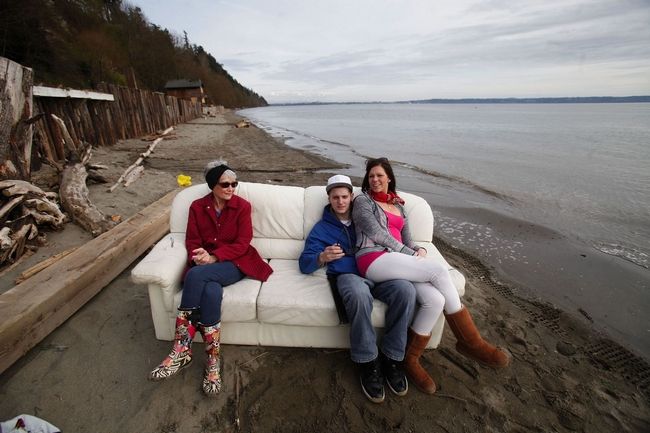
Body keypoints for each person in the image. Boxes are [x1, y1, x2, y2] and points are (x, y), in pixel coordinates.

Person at [352, 157, 510, 394]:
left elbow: (408, 240)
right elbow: (376, 234)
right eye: (371, 176)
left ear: (389, 178)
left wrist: (418, 250)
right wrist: (409, 255)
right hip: (372, 258)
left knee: (435, 300)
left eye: (379, 176)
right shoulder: (362, 201)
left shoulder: (400, 207)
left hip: (398, 261)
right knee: (437, 270)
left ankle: (410, 358)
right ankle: (470, 341)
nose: (375, 180)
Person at [149, 161, 272, 397]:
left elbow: (242, 243)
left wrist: (214, 257)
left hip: (234, 263)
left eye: (234, 184)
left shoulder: (242, 206)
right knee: (211, 292)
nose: (231, 188)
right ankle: (213, 361)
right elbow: (192, 241)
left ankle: (181, 349)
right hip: (205, 264)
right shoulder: (197, 206)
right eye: (225, 184)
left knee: (195, 276)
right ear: (212, 185)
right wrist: (200, 255)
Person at [299, 174, 417, 404]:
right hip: (348, 274)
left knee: (406, 291)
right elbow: (304, 264)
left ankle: (392, 357)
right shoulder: (321, 228)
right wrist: (322, 257)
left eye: (345, 196)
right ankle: (367, 361)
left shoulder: (365, 217)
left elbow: (393, 232)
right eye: (335, 197)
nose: (341, 202)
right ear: (329, 199)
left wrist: (414, 250)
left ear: (352, 197)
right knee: (358, 294)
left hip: (379, 270)